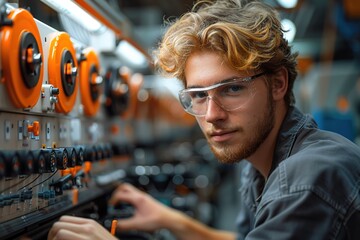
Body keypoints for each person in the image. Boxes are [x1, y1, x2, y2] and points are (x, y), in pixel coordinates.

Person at [48, 0, 360, 239]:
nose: (212, 115)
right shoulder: (259, 165)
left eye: (233, 88)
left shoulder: (306, 179)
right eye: (198, 95)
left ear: (278, 83)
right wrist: (173, 221)